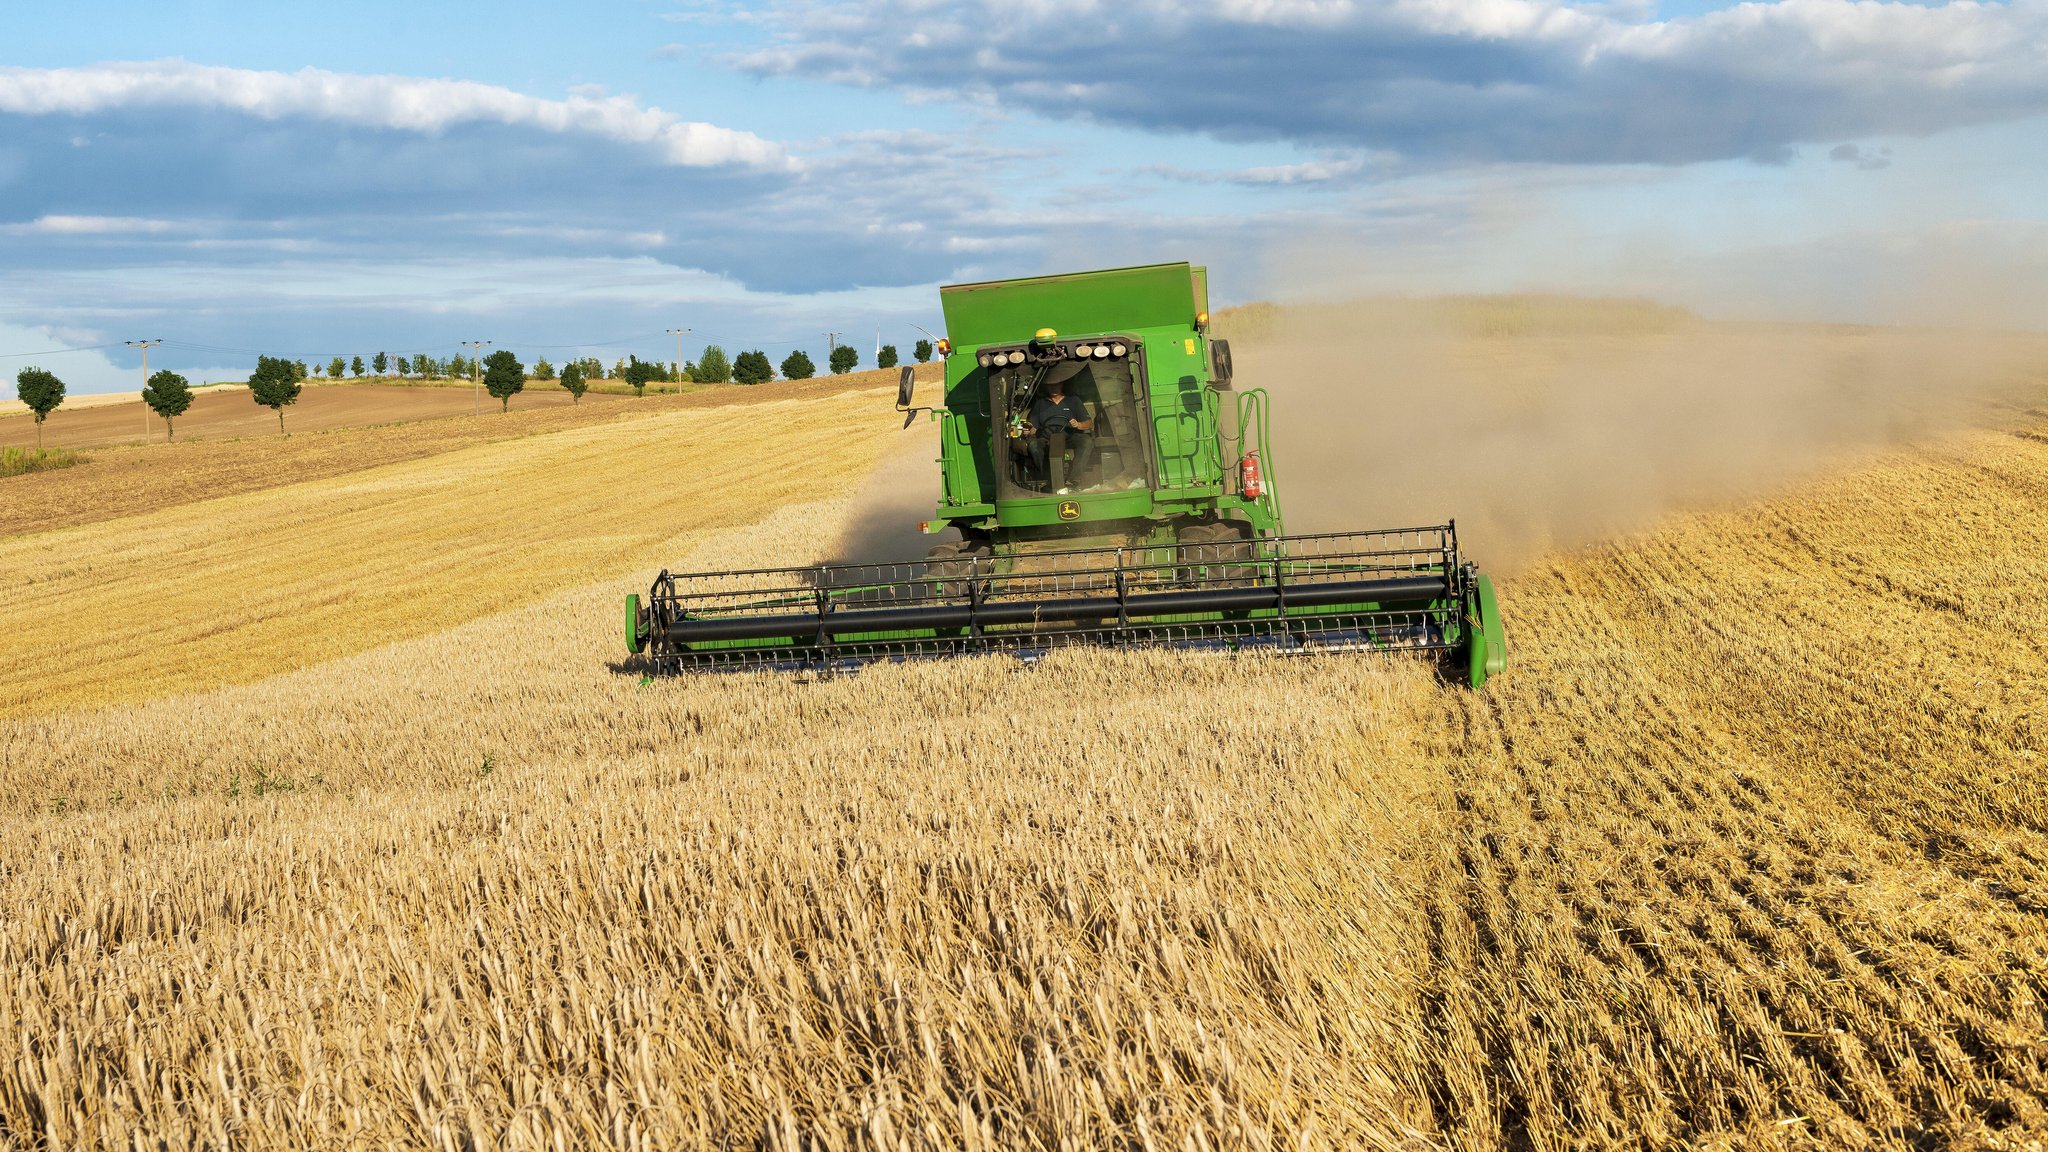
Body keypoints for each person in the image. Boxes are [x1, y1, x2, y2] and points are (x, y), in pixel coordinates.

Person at [1027, 371, 1097, 493]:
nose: (1054, 387)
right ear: (1046, 386)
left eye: (1056, 384)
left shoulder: (1073, 401)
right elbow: (1032, 426)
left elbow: (1089, 423)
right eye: (1050, 385)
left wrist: (1079, 424)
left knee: (1086, 441)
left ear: (1062, 384)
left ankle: (1073, 480)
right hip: (1047, 438)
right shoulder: (1040, 404)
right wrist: (1029, 429)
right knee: (1034, 445)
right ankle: (1050, 480)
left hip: (1070, 436)